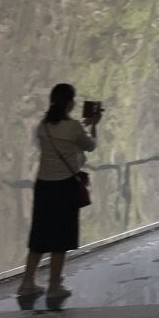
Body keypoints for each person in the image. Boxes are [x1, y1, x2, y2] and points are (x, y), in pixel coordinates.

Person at [17, 83, 100, 299]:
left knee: (40, 236)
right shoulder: (74, 127)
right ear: (70, 103)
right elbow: (89, 145)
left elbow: (62, 138)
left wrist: (81, 126)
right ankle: (54, 286)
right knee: (60, 238)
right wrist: (93, 125)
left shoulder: (43, 126)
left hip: (44, 186)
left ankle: (27, 283)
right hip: (65, 186)